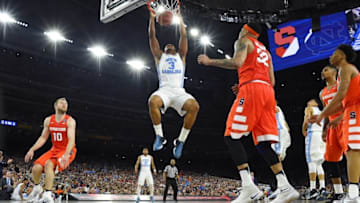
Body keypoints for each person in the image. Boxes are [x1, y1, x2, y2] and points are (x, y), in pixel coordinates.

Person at [197, 23, 299, 203]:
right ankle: (285, 187)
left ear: (246, 30)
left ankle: (249, 188)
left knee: (231, 136)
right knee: (263, 144)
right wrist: (246, 82)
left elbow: (237, 62)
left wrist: (209, 61)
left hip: (252, 91)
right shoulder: (266, 51)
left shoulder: (243, 40)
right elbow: (272, 80)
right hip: (267, 93)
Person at [310, 44, 360, 202]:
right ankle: (348, 193)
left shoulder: (346, 68)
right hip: (346, 113)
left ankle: (353, 193)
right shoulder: (339, 75)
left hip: (353, 111)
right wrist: (323, 117)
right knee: (341, 155)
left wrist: (322, 114)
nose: (331, 56)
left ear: (342, 55)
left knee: (353, 150)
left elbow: (342, 95)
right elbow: (340, 103)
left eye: (335, 53)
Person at [148, 9, 200, 159]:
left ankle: (181, 141)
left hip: (179, 92)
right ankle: (160, 136)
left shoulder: (181, 56)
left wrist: (181, 19)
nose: (169, 45)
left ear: (176, 48)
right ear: (164, 49)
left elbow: (183, 35)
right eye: (167, 45)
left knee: (195, 107)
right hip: (164, 90)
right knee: (152, 101)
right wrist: (152, 19)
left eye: (172, 45)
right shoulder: (159, 57)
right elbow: (152, 36)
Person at [24, 97, 77, 203]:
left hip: (67, 150)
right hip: (55, 149)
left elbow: (71, 140)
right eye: (62, 103)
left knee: (49, 164)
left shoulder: (70, 121)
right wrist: (32, 149)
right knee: (36, 167)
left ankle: (48, 193)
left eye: (66, 103)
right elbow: (43, 138)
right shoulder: (48, 120)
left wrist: (66, 155)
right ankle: (37, 187)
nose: (64, 105)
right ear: (55, 106)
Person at [319, 65, 346, 202]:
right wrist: (324, 130)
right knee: (331, 159)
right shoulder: (322, 92)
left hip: (345, 122)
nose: (323, 72)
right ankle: (339, 192)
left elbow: (349, 104)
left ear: (334, 72)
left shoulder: (341, 86)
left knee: (352, 156)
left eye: (326, 69)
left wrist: (340, 118)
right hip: (331, 127)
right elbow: (325, 112)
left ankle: (354, 188)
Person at [302, 99, 326, 200]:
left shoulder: (309, 109)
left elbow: (307, 120)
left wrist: (303, 129)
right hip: (322, 136)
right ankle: (322, 187)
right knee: (319, 163)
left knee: (311, 162)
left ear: (315, 103)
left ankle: (312, 189)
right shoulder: (322, 112)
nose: (308, 102)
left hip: (313, 135)